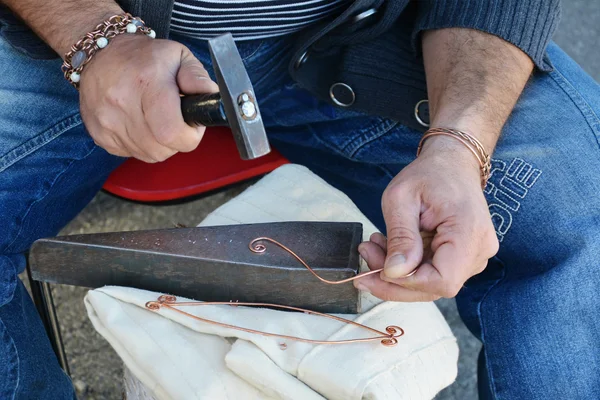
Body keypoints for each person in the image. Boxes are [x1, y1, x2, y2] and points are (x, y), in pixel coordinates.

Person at [0, 0, 598, 398]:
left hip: (364, 27)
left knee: (577, 213)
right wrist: (92, 33)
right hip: (102, 27)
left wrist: (459, 147)